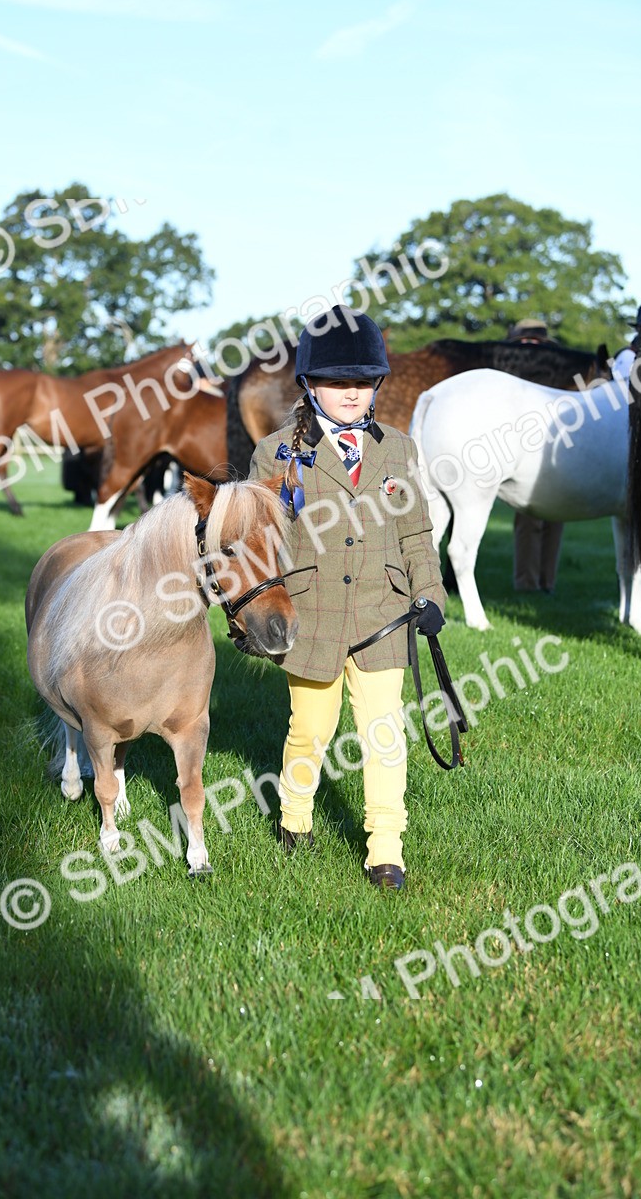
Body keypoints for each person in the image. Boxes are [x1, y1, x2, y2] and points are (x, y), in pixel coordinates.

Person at [248, 305, 446, 890]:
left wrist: (429, 591)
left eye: (363, 382)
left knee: (386, 733)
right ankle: (294, 817)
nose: (351, 393)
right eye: (338, 383)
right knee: (310, 727)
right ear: (309, 385)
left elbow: (415, 529)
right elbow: (261, 542)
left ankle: (386, 847)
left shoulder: (398, 449)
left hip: (382, 613)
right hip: (312, 615)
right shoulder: (276, 455)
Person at [505, 318, 565, 593]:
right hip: (522, 454)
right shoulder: (509, 378)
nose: (531, 346)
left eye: (536, 341)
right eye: (525, 341)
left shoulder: (560, 375)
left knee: (556, 520)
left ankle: (547, 584)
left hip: (556, 454)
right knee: (529, 521)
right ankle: (526, 585)